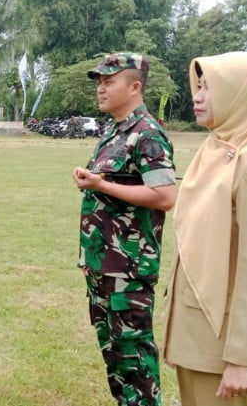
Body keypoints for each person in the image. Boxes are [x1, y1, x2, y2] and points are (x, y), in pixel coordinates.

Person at [162, 52, 247, 406]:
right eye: (200, 86)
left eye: (209, 88)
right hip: (197, 333)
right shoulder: (219, 149)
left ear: (246, 94)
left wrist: (240, 359)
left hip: (223, 346)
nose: (197, 95)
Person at [72, 52, 176, 406]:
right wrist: (96, 180)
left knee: (135, 364)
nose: (101, 88)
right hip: (104, 265)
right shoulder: (116, 131)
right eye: (99, 81)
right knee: (117, 362)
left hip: (128, 271)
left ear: (134, 87)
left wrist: (102, 186)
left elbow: (164, 195)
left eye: (108, 81)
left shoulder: (147, 134)